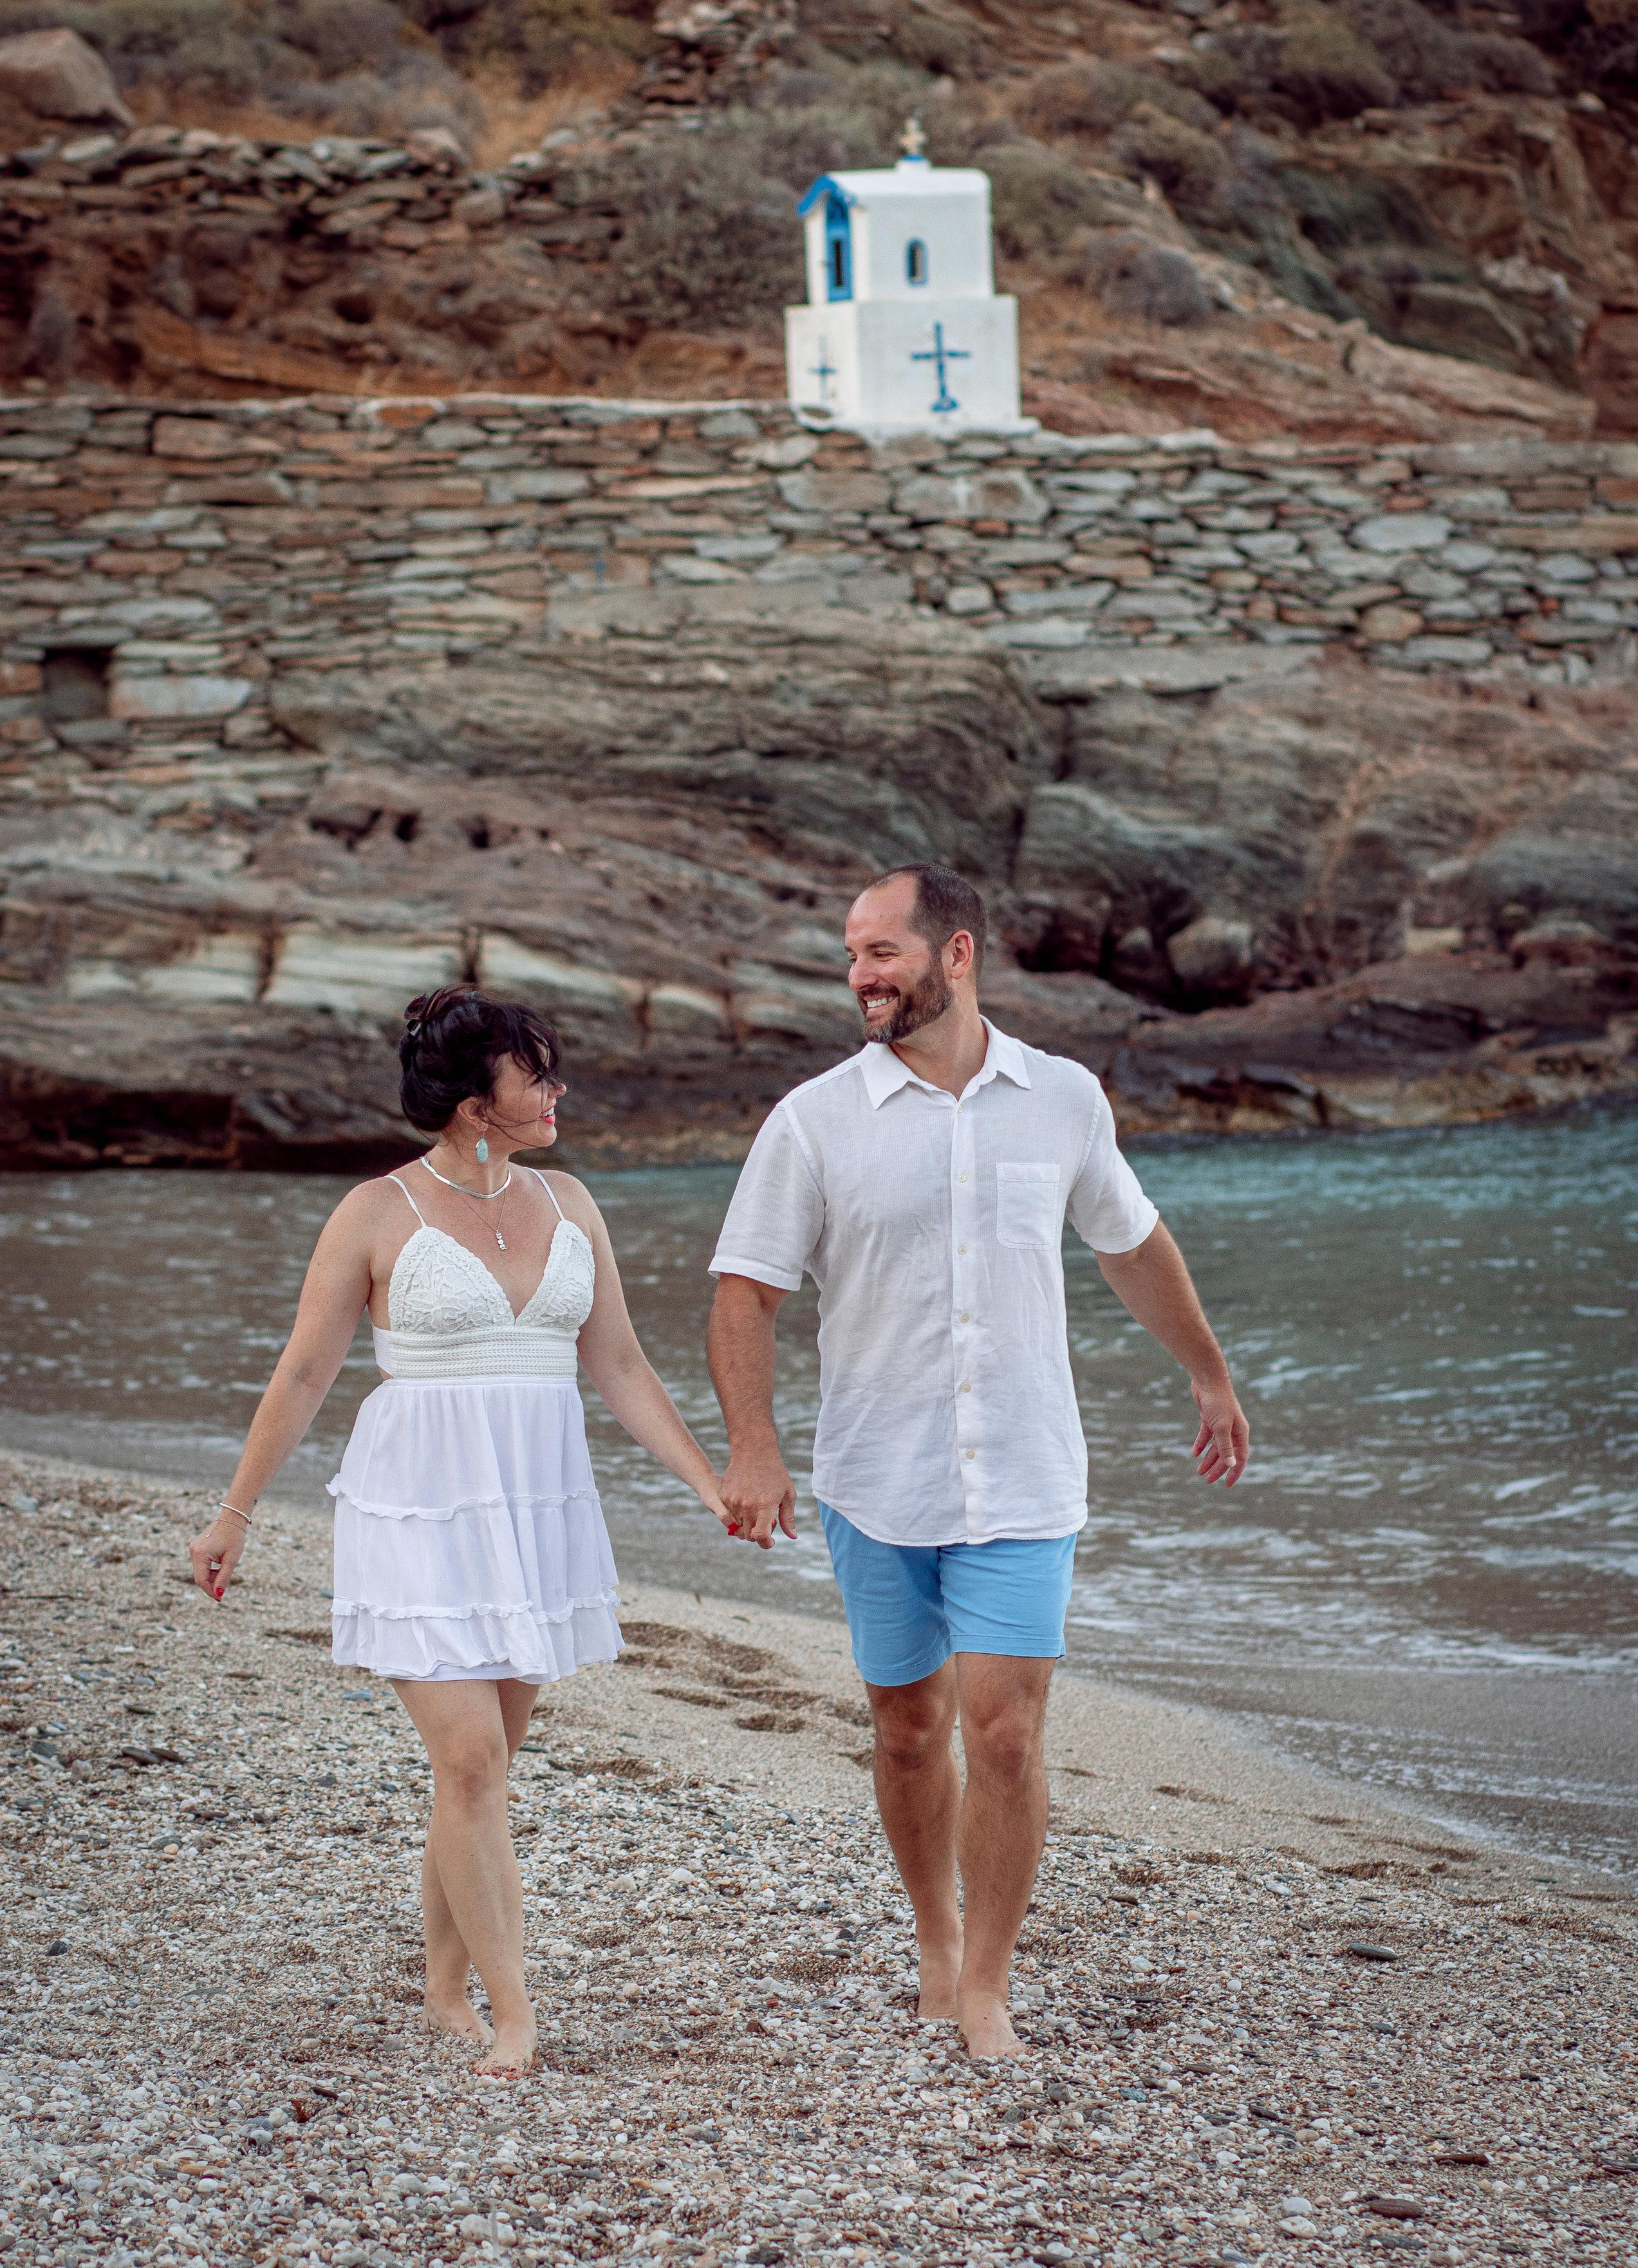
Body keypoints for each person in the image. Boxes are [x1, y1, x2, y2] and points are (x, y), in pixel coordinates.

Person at [706, 865, 1249, 2060]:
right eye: (852, 955)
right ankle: (935, 1938)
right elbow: (744, 1293)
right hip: (875, 1474)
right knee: (907, 1725)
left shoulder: (1061, 1099)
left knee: (1004, 1729)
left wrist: (1207, 1372)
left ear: (957, 954)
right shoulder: (813, 1120)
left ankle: (991, 1984)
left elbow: (1132, 1242)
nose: (861, 975)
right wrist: (754, 1449)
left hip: (1024, 1470)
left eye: (883, 952)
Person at [189, 986, 730, 2080]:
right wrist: (234, 1511)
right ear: (479, 1103)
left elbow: (619, 1364)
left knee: (479, 1770)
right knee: (473, 1759)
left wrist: (710, 1484)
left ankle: (441, 1990)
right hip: (421, 1508)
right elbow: (304, 1370)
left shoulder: (572, 1201)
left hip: (534, 1510)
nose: (557, 1090)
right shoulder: (376, 1213)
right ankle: (514, 2012)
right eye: (537, 1075)